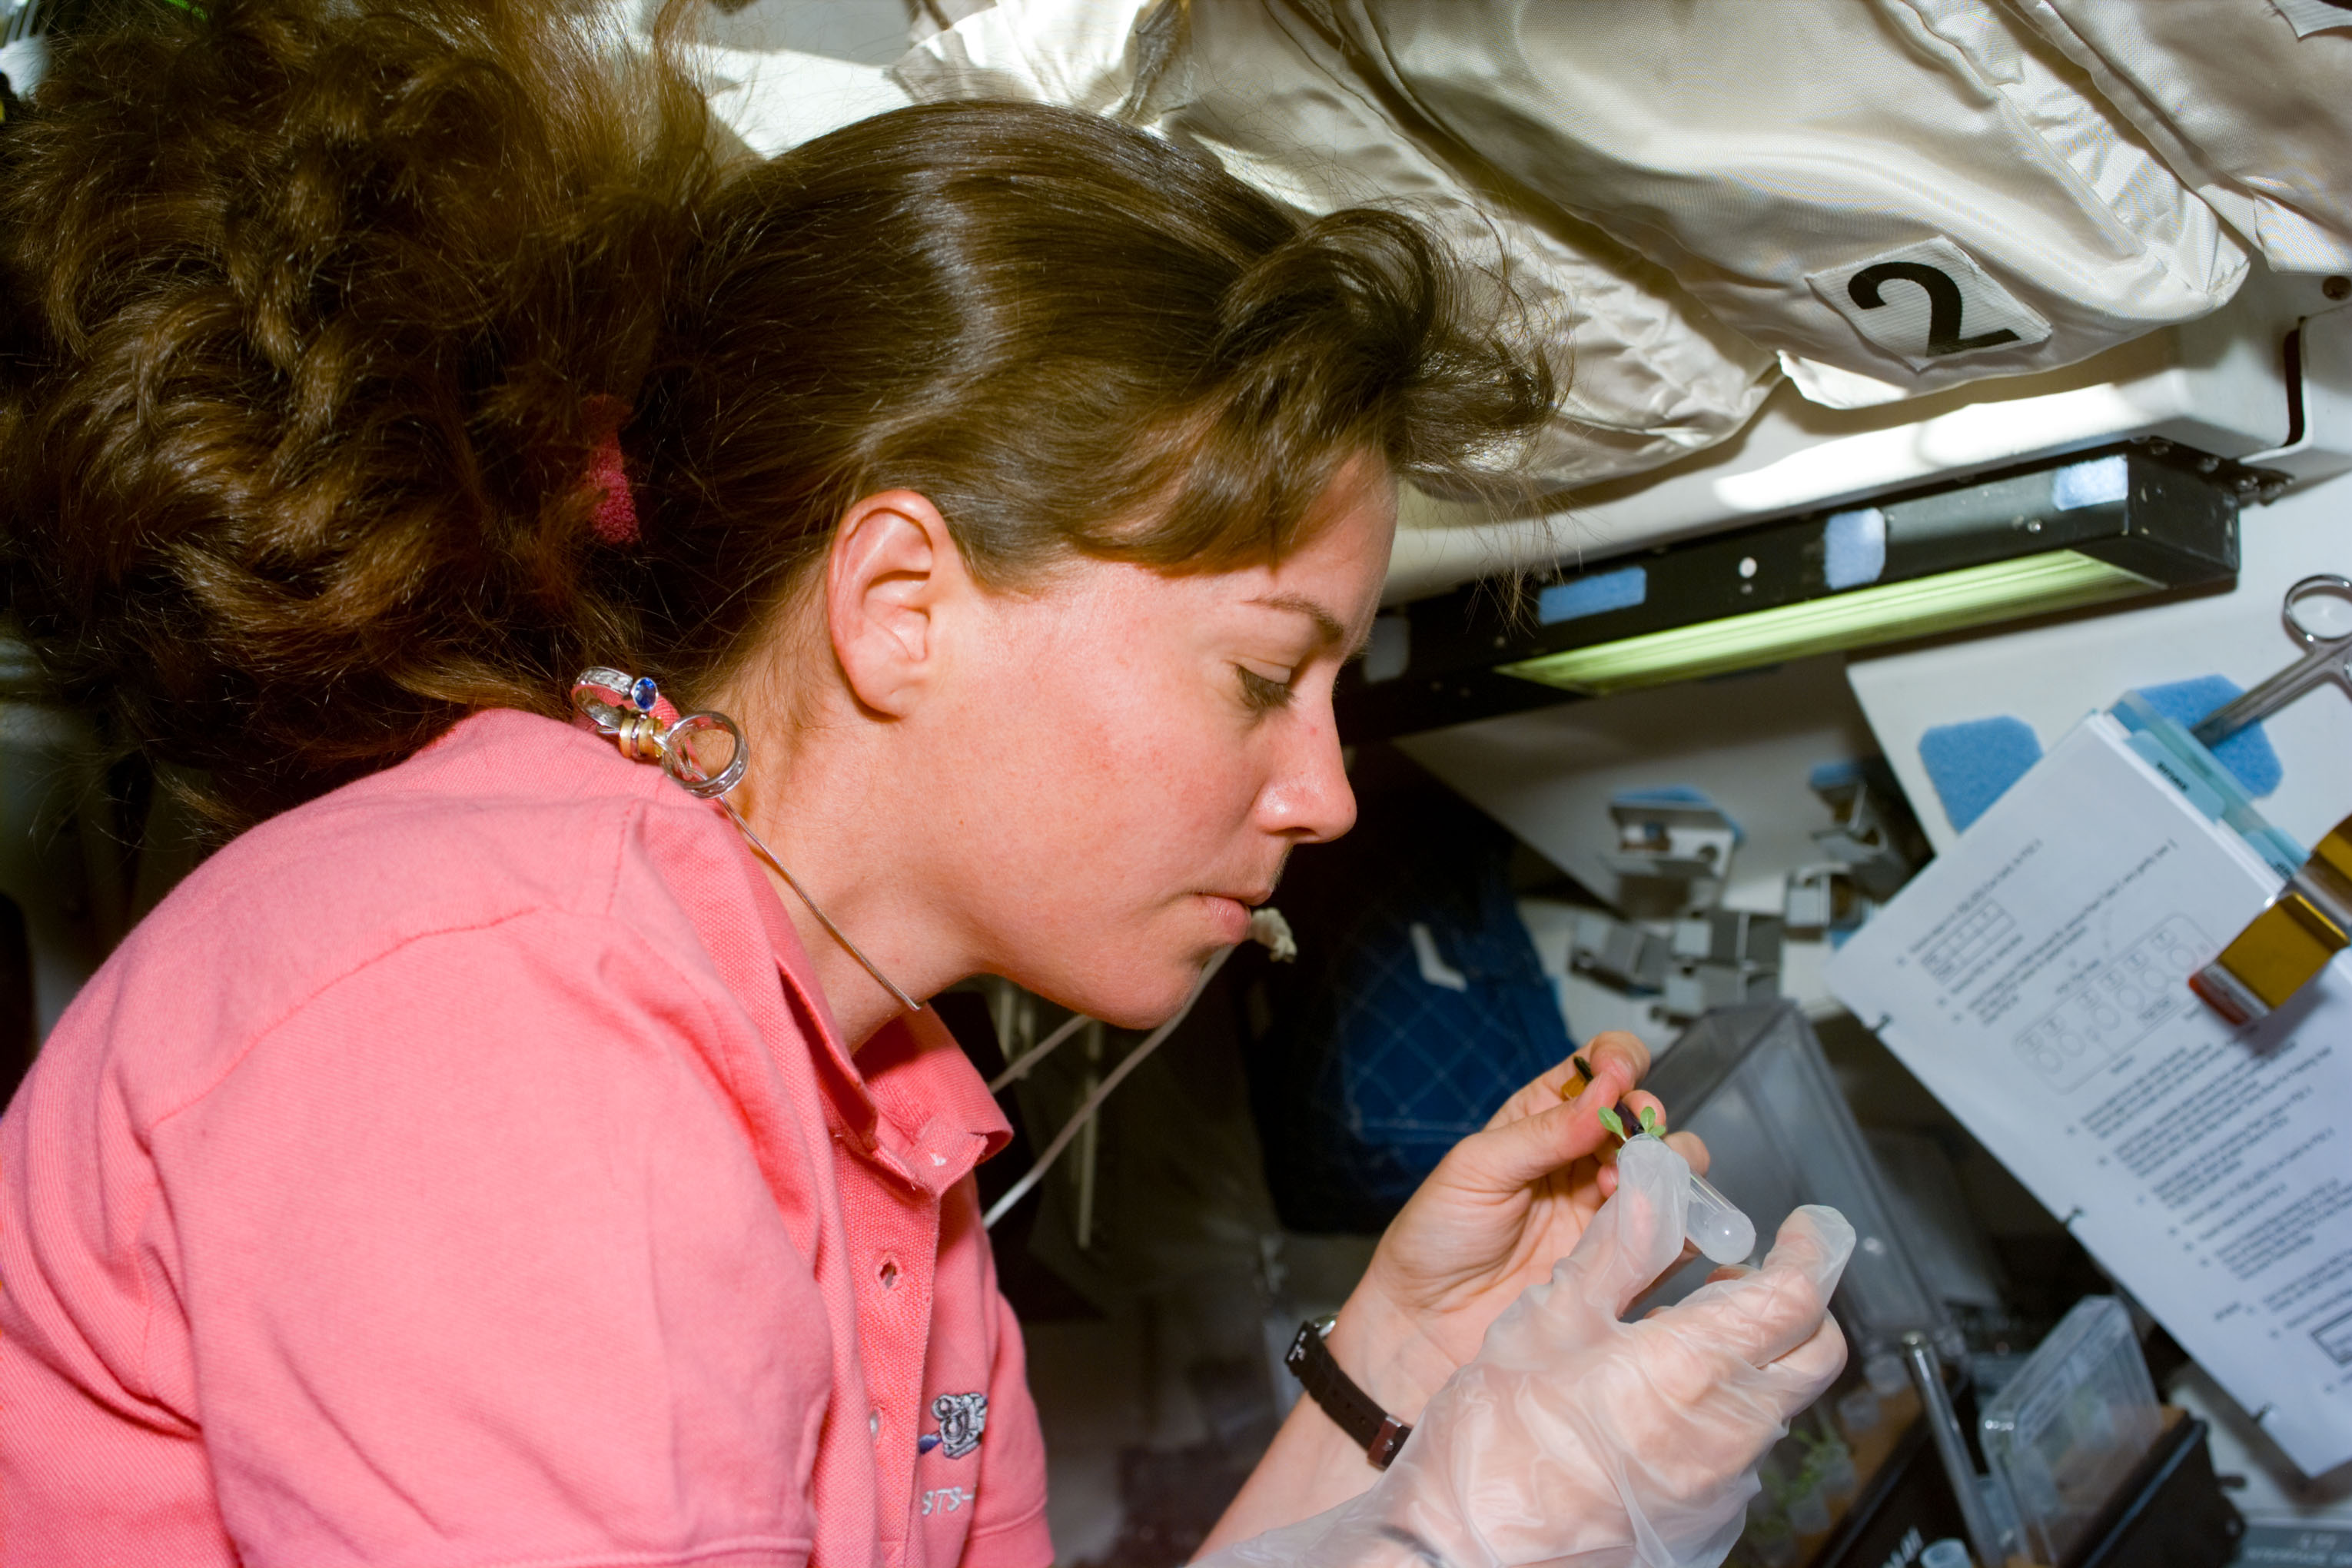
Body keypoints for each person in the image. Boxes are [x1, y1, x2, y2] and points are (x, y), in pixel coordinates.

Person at [0, 2, 1849, 1563]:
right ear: (901, 605)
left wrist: (1401, 1385)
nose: (1326, 793)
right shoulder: (496, 1011)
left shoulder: (893, 1130)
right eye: (1265, 676)